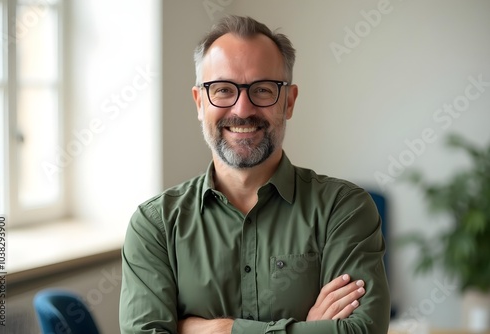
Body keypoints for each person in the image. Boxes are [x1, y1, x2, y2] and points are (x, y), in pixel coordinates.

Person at [119, 15, 390, 334]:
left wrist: (217, 330)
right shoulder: (155, 226)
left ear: (289, 101)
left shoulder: (344, 209)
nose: (242, 109)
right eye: (222, 90)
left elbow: (362, 331)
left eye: (262, 90)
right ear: (199, 103)